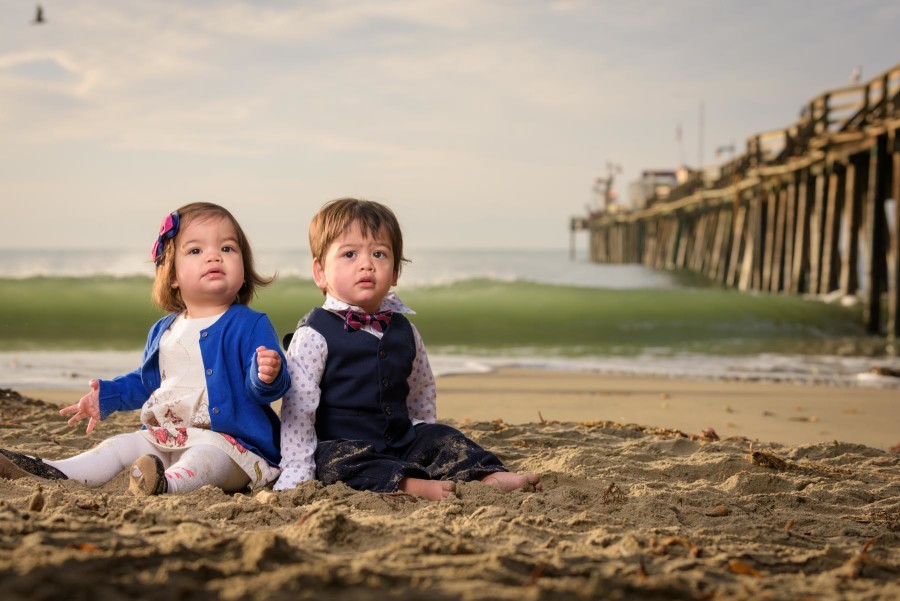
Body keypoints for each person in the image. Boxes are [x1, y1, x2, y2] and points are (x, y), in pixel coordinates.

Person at [0, 202, 290, 496]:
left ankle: (166, 484)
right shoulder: (164, 330)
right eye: (195, 251)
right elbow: (147, 382)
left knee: (205, 461)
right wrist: (107, 396)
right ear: (173, 275)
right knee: (118, 445)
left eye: (228, 249)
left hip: (230, 447)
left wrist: (267, 375)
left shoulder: (249, 324)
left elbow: (268, 391)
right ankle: (55, 470)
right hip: (167, 437)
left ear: (244, 269)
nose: (214, 256)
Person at [274, 198, 540, 500]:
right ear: (320, 272)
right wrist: (296, 469)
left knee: (445, 437)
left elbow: (421, 387)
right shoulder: (313, 333)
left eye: (379, 254)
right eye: (349, 254)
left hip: (400, 438)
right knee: (334, 464)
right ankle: (413, 485)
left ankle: (489, 474)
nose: (366, 264)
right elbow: (298, 408)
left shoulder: (404, 329)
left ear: (395, 271)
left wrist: (422, 433)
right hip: (342, 443)